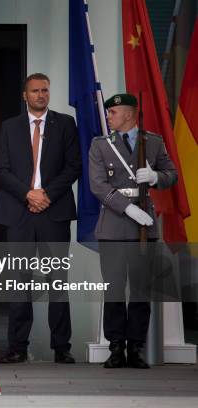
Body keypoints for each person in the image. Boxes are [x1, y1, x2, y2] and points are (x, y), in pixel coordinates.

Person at [0, 73, 81, 364]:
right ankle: (17, 345)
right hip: (19, 212)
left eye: (45, 90)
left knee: (58, 280)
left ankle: (61, 346)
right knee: (19, 281)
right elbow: (1, 169)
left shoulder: (65, 123)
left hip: (53, 212)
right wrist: (28, 194)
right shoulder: (9, 126)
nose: (41, 95)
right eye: (35, 91)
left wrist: (45, 195)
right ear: (24, 95)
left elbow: (73, 166)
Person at [89, 93, 177, 368]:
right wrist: (127, 208)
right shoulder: (101, 145)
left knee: (140, 290)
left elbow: (171, 174)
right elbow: (98, 185)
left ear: (128, 114)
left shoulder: (152, 142)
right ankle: (116, 347)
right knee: (114, 288)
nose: (108, 117)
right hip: (115, 224)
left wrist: (155, 177)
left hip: (143, 227)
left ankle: (135, 347)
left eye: (112, 113)